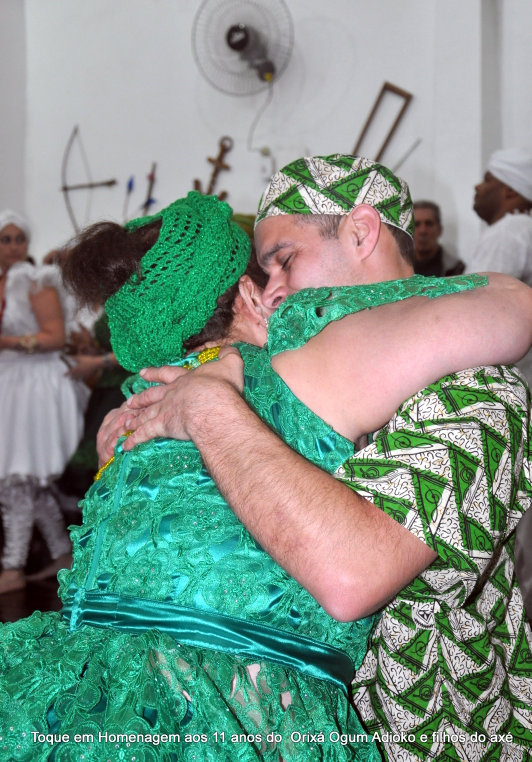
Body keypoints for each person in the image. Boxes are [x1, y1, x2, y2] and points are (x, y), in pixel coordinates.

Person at [1, 188, 531, 762]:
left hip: (81, 699)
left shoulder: (135, 420)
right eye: (268, 271)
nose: (282, 290)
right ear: (249, 295)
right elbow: (513, 302)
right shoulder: (302, 361)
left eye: (287, 262)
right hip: (242, 717)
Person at [0, 211, 85, 594]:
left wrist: (9, 342)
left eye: (19, 238)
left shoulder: (36, 281)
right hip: (10, 383)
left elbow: (55, 337)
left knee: (15, 481)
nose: (13, 246)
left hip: (34, 387)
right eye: (5, 238)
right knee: (25, 480)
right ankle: (62, 552)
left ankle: (12, 567)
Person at [467, 147, 532, 622]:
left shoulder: (509, 232)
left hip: (510, 395)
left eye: (487, 179)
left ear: (510, 191)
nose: (477, 187)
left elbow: (475, 317)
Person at [413, 200, 465, 277]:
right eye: (416, 224)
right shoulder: (397, 268)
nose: (423, 231)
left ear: (439, 230)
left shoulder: (457, 270)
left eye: (428, 224)